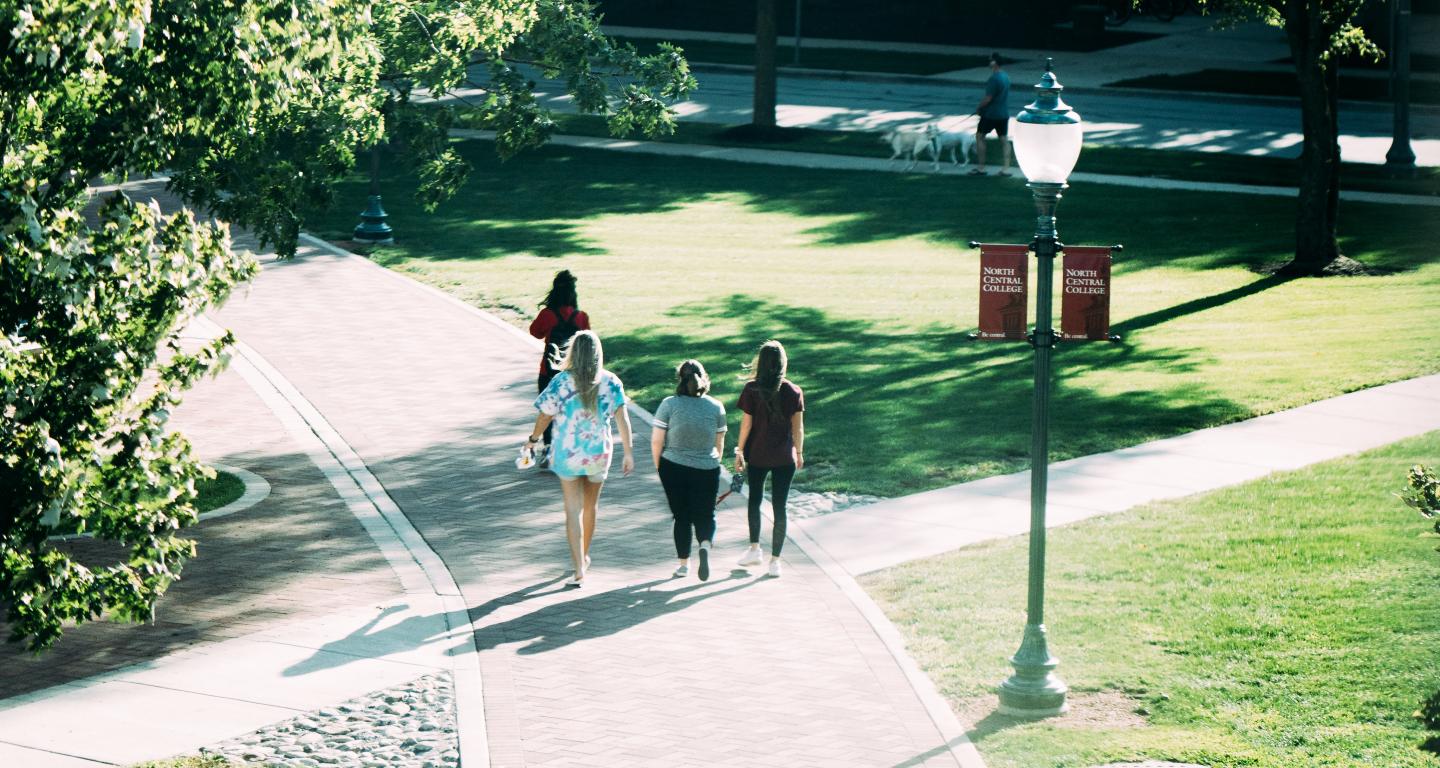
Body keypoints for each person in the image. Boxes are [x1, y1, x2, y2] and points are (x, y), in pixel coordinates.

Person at [525, 330, 634, 587]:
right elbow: (623, 419)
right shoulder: (611, 382)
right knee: (591, 506)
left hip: (567, 453)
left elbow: (545, 416)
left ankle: (577, 569)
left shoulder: (561, 382)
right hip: (598, 453)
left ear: (572, 353)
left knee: (572, 510)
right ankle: (584, 555)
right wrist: (628, 452)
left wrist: (532, 440)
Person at [651, 360, 727, 581]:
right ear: (704, 378)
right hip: (707, 467)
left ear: (680, 379)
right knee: (706, 514)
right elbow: (719, 442)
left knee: (682, 516)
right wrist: (714, 463)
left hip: (673, 466)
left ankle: (683, 564)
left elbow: (657, 441)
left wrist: (659, 466)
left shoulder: (669, 404)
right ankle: (704, 545)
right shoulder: (716, 407)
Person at [733, 340, 804, 577]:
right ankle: (775, 561)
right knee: (780, 507)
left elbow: (746, 425)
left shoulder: (752, 389)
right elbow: (798, 429)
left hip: (758, 454)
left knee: (754, 500)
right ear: (783, 363)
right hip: (785, 456)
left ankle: (755, 548)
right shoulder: (794, 391)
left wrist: (740, 451)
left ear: (761, 363)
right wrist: (800, 452)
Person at [528, 270, 591, 462]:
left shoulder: (547, 314)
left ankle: (548, 449)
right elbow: (588, 340)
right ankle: (569, 449)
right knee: (571, 411)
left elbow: (535, 332)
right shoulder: (581, 317)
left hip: (549, 371)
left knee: (547, 410)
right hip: (574, 372)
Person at [971, 52, 1012, 177]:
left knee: (980, 136)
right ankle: (1006, 168)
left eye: (991, 60)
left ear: (995, 63)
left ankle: (981, 167)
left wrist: (978, 108)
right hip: (1003, 113)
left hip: (991, 114)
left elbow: (988, 98)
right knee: (1004, 139)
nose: (989, 62)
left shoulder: (994, 78)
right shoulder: (1005, 76)